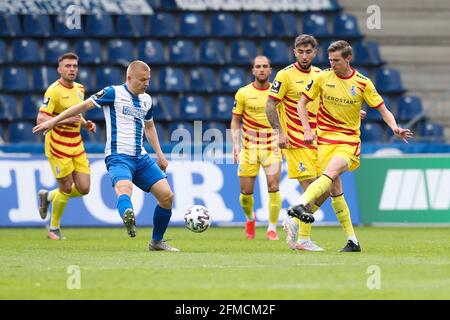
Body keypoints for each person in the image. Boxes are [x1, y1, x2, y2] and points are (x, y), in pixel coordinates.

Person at [33, 60, 179, 252]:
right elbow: (81, 107)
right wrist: (53, 122)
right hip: (118, 156)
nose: (146, 84)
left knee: (167, 196)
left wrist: (160, 154)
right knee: (124, 188)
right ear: (129, 78)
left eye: (148, 80)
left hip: (141, 157)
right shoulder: (112, 93)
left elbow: (149, 127)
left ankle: (156, 242)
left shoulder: (147, 100)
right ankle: (128, 215)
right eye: (142, 80)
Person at [288, 40, 413, 252]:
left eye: (336, 60)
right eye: (330, 60)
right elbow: (301, 103)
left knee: (330, 172)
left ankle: (299, 204)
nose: (332, 64)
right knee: (335, 190)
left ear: (348, 59)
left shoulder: (363, 83)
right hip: (324, 141)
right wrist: (307, 129)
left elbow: (383, 109)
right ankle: (352, 241)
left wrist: (394, 127)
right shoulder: (321, 78)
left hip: (348, 141)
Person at [266, 35, 367, 251]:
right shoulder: (284, 75)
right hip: (296, 140)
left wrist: (354, 109)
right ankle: (302, 238)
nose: (304, 55)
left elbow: (331, 97)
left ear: (315, 53)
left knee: (327, 187)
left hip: (320, 139)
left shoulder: (321, 75)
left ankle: (296, 223)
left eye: (308, 52)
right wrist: (279, 133)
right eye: (300, 51)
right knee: (312, 185)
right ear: (294, 52)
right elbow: (270, 104)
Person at [36, 52, 96, 240]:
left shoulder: (80, 89)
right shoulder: (53, 91)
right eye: (68, 66)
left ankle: (48, 196)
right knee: (67, 187)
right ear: (59, 69)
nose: (71, 69)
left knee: (84, 188)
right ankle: (53, 229)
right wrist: (65, 120)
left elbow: (77, 114)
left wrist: (85, 123)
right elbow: (41, 118)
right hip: (57, 147)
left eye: (74, 66)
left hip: (76, 144)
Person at [231, 56, 282, 240]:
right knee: (245, 193)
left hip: (272, 146)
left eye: (265, 66)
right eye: (258, 67)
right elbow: (236, 120)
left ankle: (272, 228)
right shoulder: (243, 93)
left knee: (274, 186)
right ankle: (250, 218)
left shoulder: (277, 94)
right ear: (253, 70)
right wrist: (235, 144)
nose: (261, 69)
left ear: (270, 70)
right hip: (249, 148)